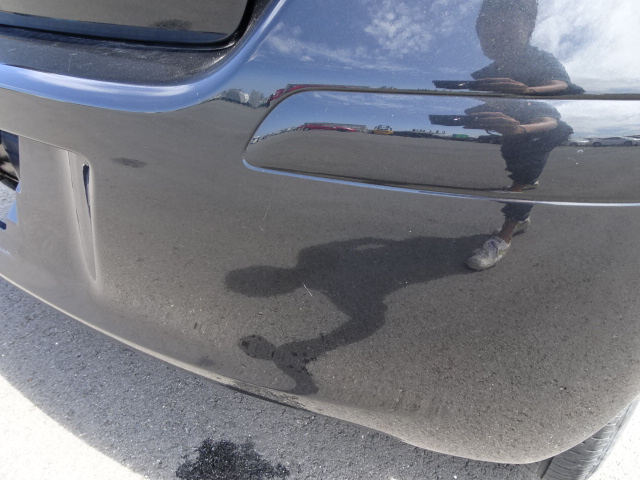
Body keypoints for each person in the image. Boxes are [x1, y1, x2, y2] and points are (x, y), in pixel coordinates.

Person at [464, 0, 580, 270]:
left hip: (535, 134)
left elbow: (557, 93)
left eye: (504, 24)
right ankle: (523, 215)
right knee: (516, 174)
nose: (492, 33)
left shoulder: (538, 58)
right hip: (511, 135)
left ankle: (503, 239)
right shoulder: (490, 71)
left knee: (522, 183)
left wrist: (527, 92)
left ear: (528, 27)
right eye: (484, 27)